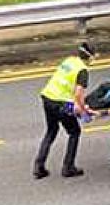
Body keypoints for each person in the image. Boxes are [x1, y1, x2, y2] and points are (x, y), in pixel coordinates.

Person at [36, 42, 94, 179]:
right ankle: (68, 167)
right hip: (61, 103)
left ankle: (39, 166)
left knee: (51, 131)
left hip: (48, 97)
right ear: (90, 57)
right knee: (74, 131)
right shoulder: (82, 70)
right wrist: (82, 111)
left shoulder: (69, 60)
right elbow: (79, 94)